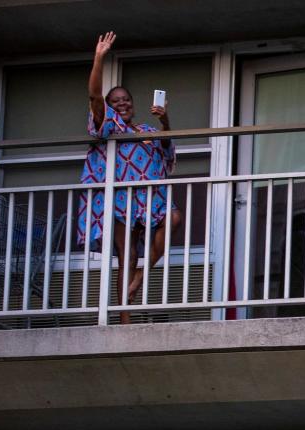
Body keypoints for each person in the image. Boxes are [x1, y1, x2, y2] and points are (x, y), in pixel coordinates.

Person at [78, 31, 180, 324]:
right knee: (127, 254)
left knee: (174, 219)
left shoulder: (147, 130)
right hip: (121, 197)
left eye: (126, 99)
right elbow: (95, 96)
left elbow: (166, 147)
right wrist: (99, 58)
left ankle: (139, 279)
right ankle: (124, 318)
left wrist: (164, 120)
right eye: (116, 100)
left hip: (150, 196)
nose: (122, 103)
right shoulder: (108, 125)